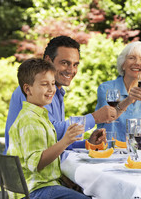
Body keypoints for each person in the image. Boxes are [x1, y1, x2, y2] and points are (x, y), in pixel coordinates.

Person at [4, 36, 116, 154]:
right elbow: (53, 131)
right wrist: (95, 118)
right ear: (48, 60)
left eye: (75, 65)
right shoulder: (33, 91)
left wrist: (88, 143)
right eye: (65, 63)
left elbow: (54, 142)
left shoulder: (55, 92)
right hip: (26, 170)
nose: (71, 70)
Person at [7, 58, 90, 199]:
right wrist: (65, 141)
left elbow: (45, 162)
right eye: (45, 84)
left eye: (52, 83)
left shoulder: (38, 116)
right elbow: (37, 163)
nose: (51, 89)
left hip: (40, 187)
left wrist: (63, 178)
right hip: (35, 192)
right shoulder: (30, 121)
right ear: (28, 89)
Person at [96, 41, 141, 141]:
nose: (137, 63)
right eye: (131, 58)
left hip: (140, 152)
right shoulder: (106, 88)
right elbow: (103, 122)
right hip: (110, 151)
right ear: (123, 64)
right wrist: (128, 100)